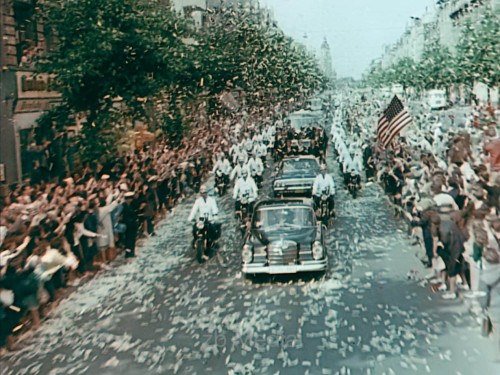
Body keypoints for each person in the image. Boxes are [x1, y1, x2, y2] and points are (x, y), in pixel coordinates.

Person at [187, 185, 220, 259]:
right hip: (201, 220)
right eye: (202, 193)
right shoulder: (198, 201)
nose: (203, 194)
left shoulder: (211, 200)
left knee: (213, 229)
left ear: (207, 192)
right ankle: (195, 240)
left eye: (204, 192)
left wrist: (215, 215)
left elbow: (215, 208)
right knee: (194, 228)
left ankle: (213, 241)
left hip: (209, 219)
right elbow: (194, 210)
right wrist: (191, 217)